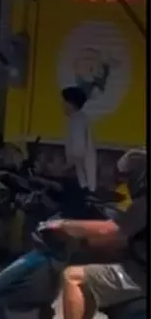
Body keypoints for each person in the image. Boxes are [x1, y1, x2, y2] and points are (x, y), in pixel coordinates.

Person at [52, 149, 147, 319]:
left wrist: (65, 225)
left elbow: (111, 230)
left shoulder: (144, 203)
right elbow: (125, 238)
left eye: (132, 174)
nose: (127, 182)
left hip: (141, 276)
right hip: (139, 269)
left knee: (73, 276)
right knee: (94, 276)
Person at [61, 86, 97, 192]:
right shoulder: (80, 118)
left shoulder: (77, 120)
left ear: (70, 104)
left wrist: (67, 166)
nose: (62, 104)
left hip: (81, 178)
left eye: (64, 101)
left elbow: (78, 149)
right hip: (83, 176)